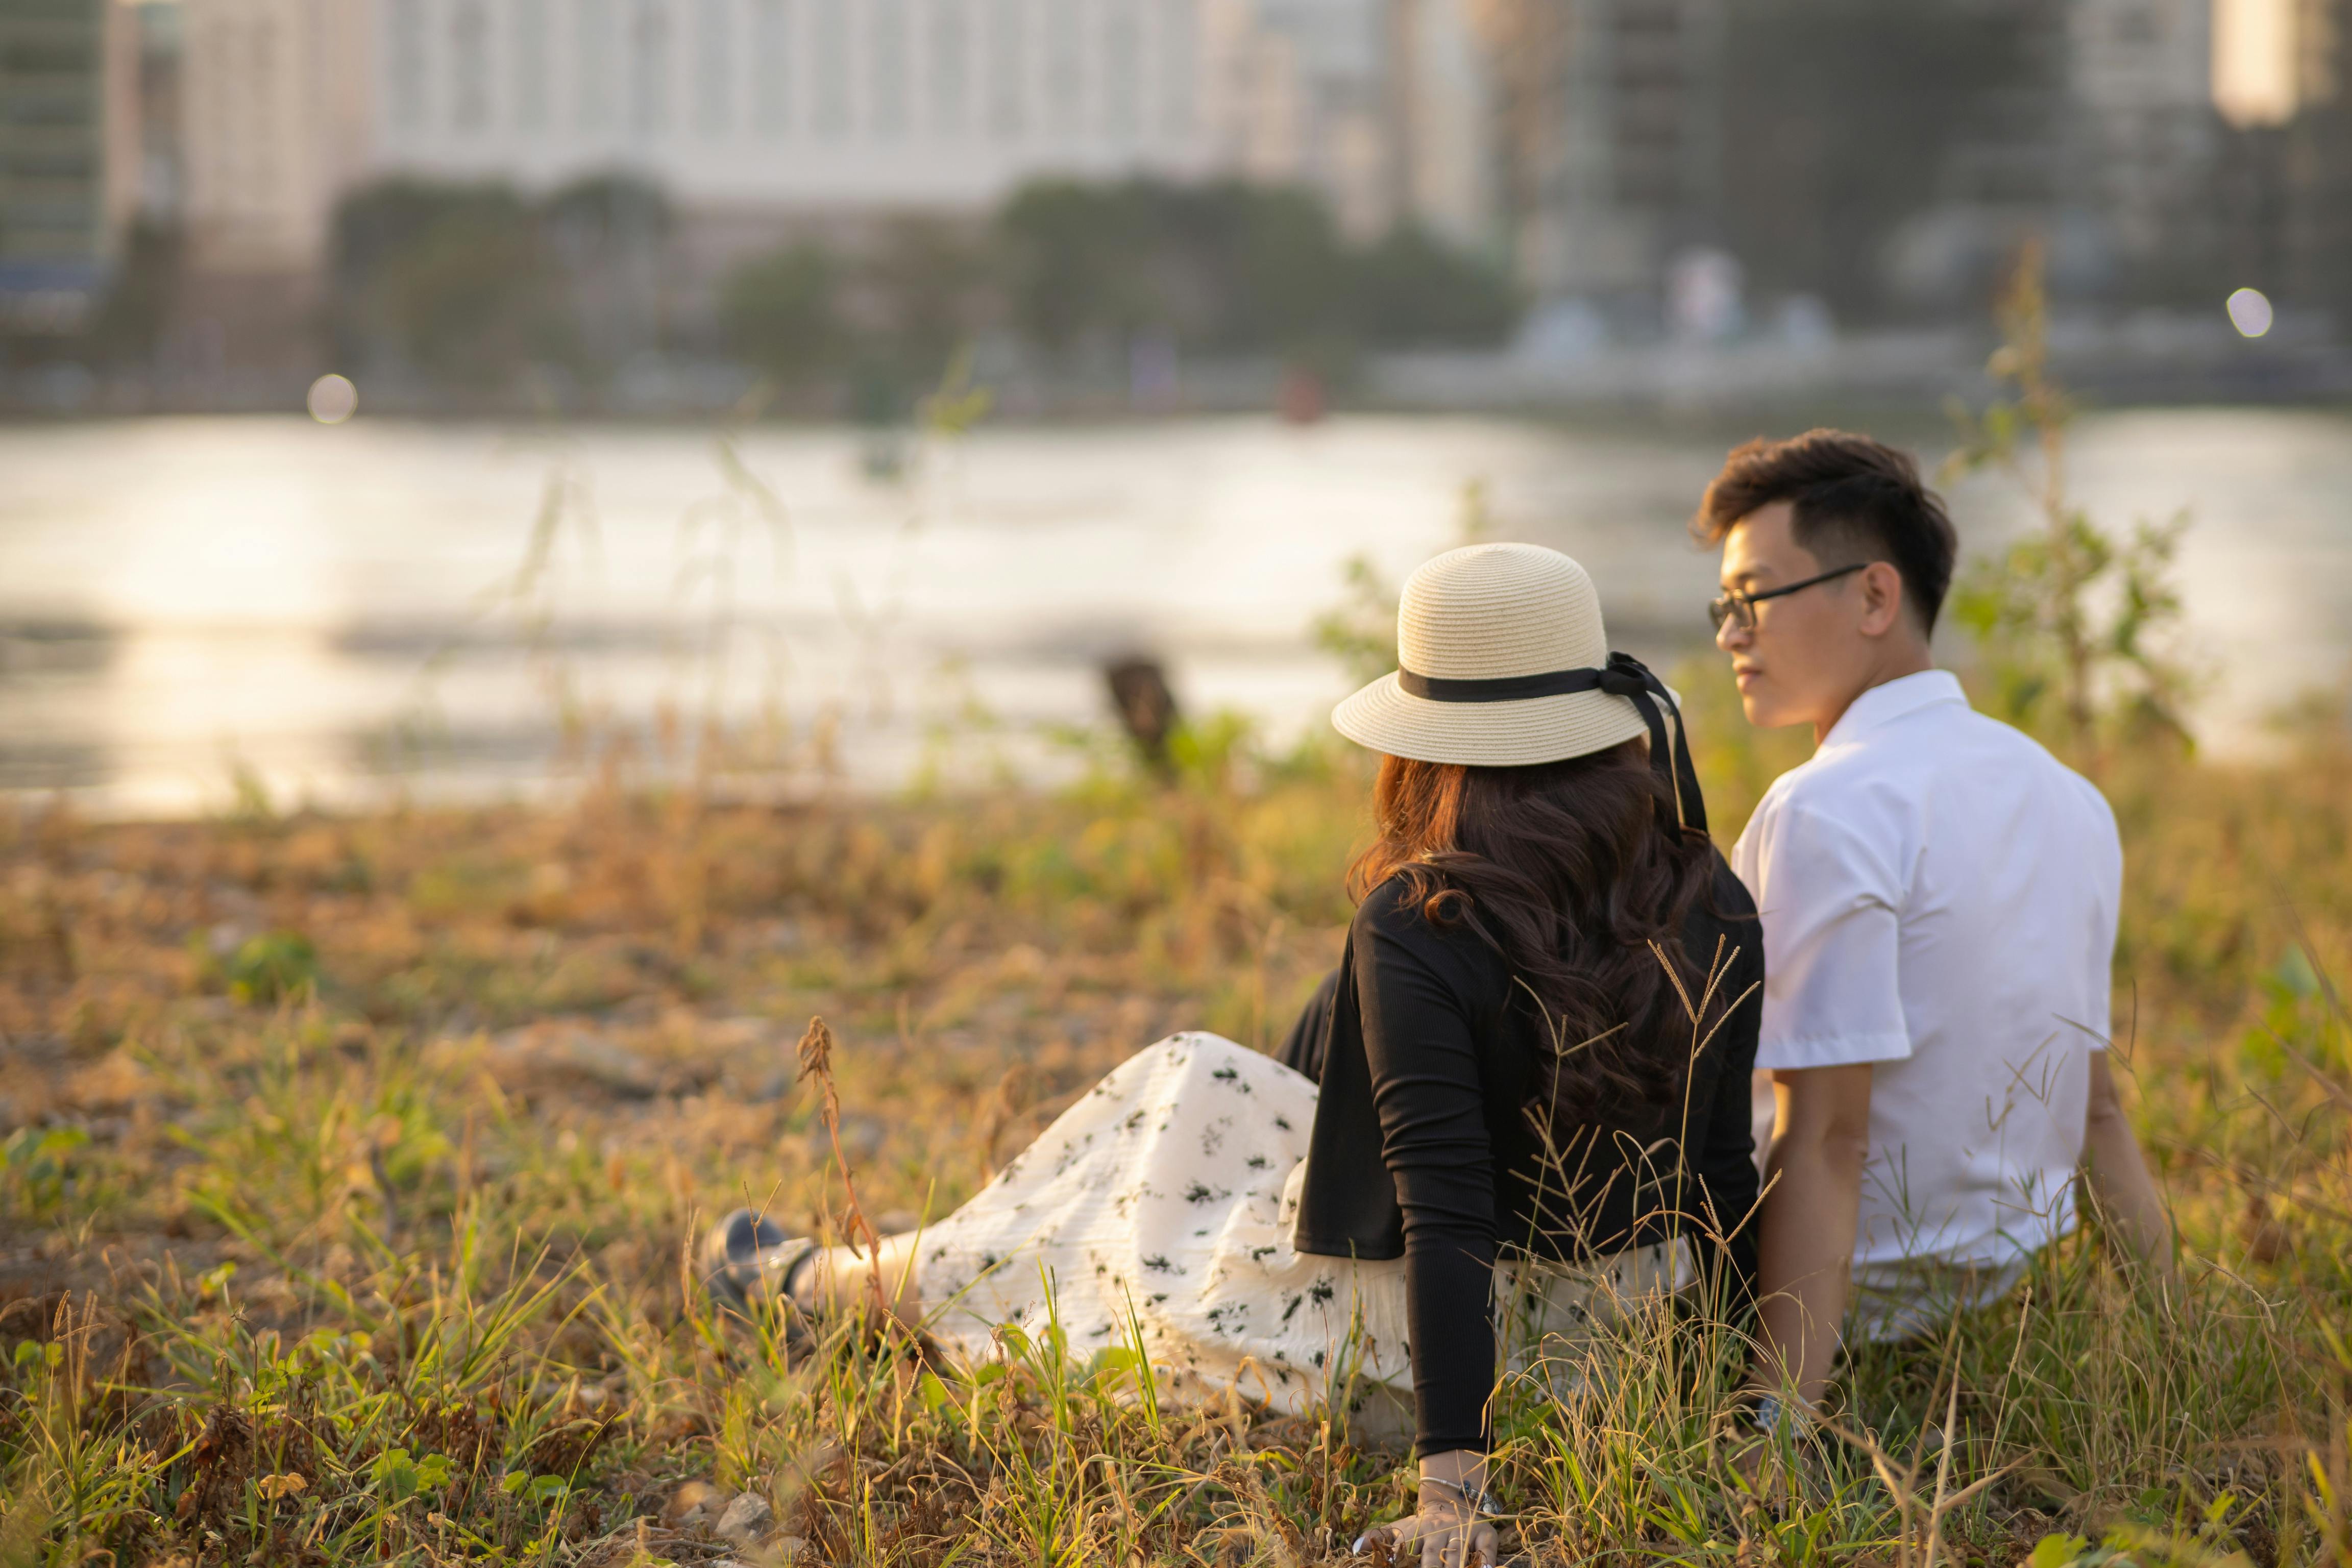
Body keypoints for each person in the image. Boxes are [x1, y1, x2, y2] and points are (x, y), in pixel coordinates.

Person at [701, 543, 1766, 1568]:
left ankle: (828, 1284)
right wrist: (1730, 1402)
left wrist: (1455, 1490)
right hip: (1607, 1353)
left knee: (1156, 1133)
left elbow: (1451, 1219)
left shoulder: (1424, 915)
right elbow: (1723, 1182)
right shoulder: (1707, 890)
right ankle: (870, 1270)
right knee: (1204, 1090)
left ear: (1426, 740)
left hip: (1401, 1360)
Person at [1693, 430, 2176, 1436]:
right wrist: (2179, 1349)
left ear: (1875, 597)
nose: (1731, 634)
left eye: (1754, 598)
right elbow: (2097, 1114)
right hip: (1995, 1281)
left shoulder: (1824, 810)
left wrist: (1771, 1431)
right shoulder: (2072, 797)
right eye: (1723, 608)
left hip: (1840, 1292)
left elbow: (1825, 1138)